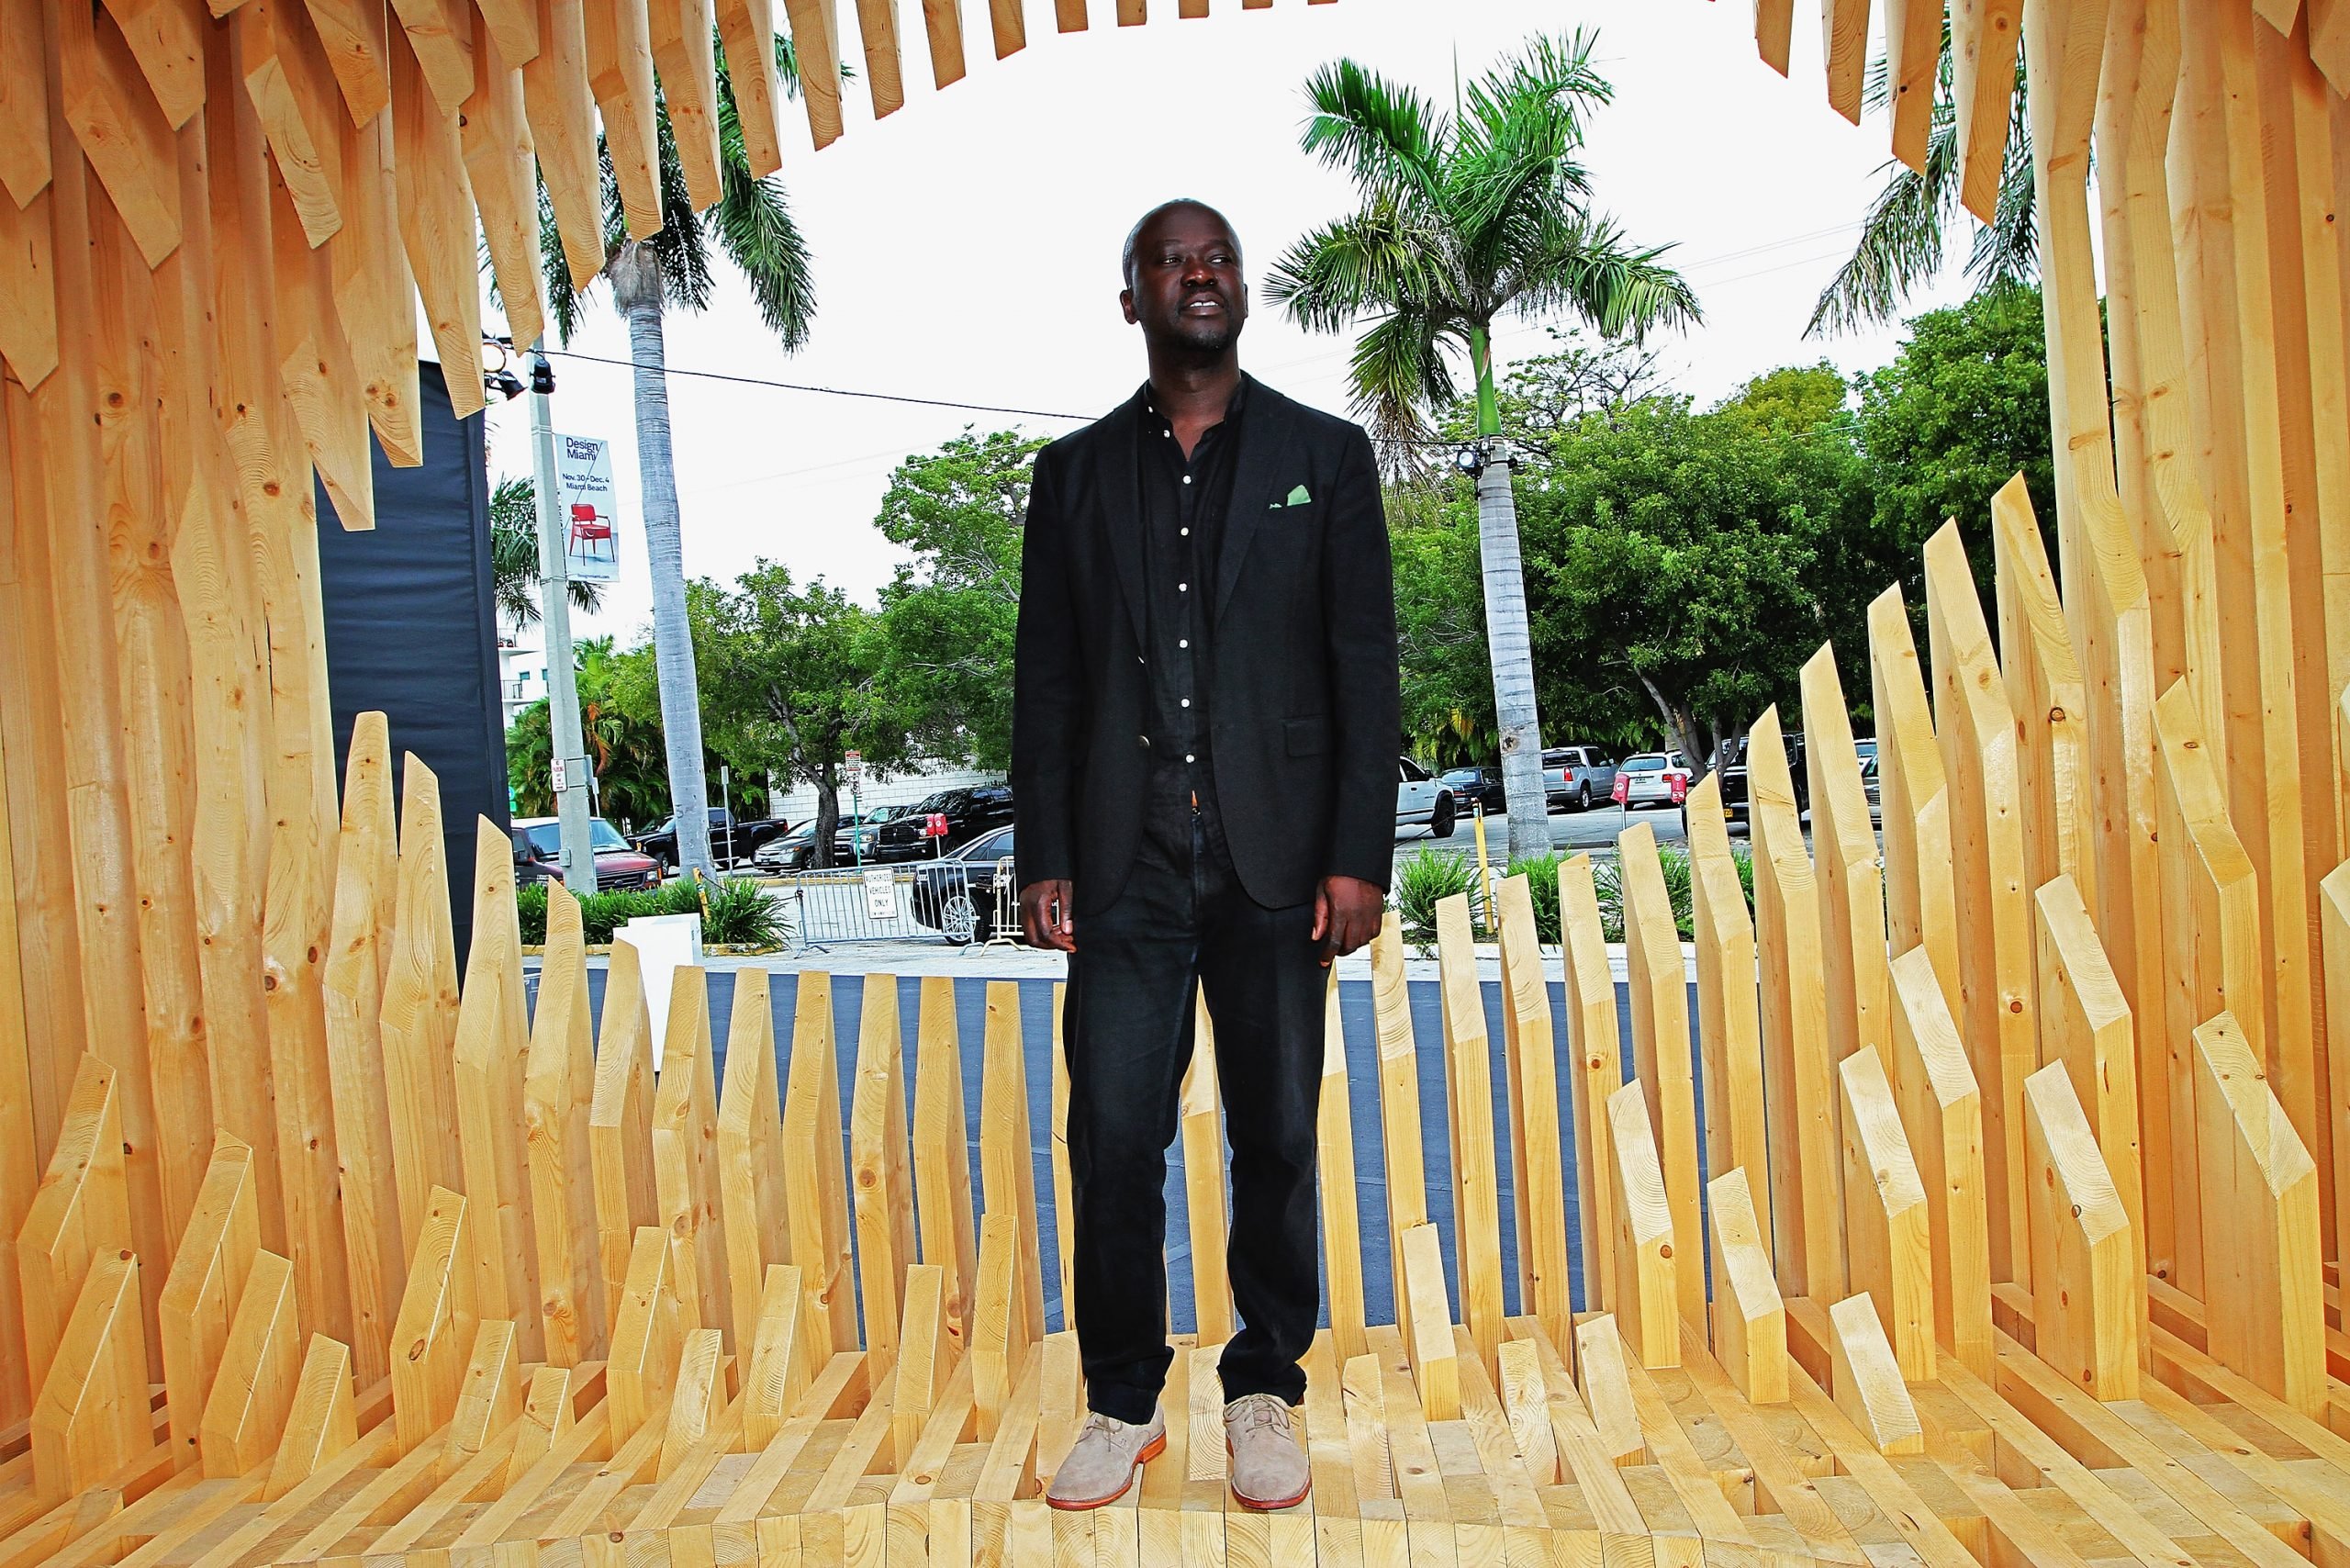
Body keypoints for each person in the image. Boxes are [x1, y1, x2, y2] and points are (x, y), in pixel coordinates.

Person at [1010, 199, 1400, 1511]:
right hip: (1125, 864)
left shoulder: (1325, 457)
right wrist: (1046, 851)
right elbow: (1047, 683)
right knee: (1114, 1135)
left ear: (1242, 290)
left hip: (1278, 862)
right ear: (1134, 298)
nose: (1202, 274)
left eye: (1220, 257)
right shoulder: (1071, 478)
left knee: (1276, 1133)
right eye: (1175, 261)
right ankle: (1122, 1402)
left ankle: (1266, 1390)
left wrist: (1360, 853)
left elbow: (1363, 668)